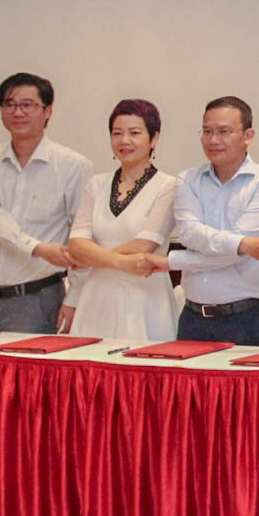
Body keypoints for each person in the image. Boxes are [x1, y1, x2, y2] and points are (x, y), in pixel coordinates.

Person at [159, 96, 259, 346]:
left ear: (248, 135)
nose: (213, 140)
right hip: (192, 319)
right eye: (207, 131)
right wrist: (243, 244)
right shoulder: (188, 180)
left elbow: (234, 255)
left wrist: (173, 261)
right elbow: (188, 233)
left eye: (224, 131)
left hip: (246, 319)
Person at [0, 72, 91, 333]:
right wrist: (38, 248)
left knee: (29, 374)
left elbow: (81, 236)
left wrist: (74, 297)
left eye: (27, 105)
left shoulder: (73, 166)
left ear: (47, 111)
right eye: (9, 104)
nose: (17, 112)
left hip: (37, 299)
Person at [64, 100, 179, 340]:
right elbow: (76, 244)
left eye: (134, 133)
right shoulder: (96, 184)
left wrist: (92, 259)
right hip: (97, 295)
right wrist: (119, 262)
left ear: (154, 138)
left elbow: (144, 245)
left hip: (146, 296)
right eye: (117, 133)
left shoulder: (169, 186)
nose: (124, 141)